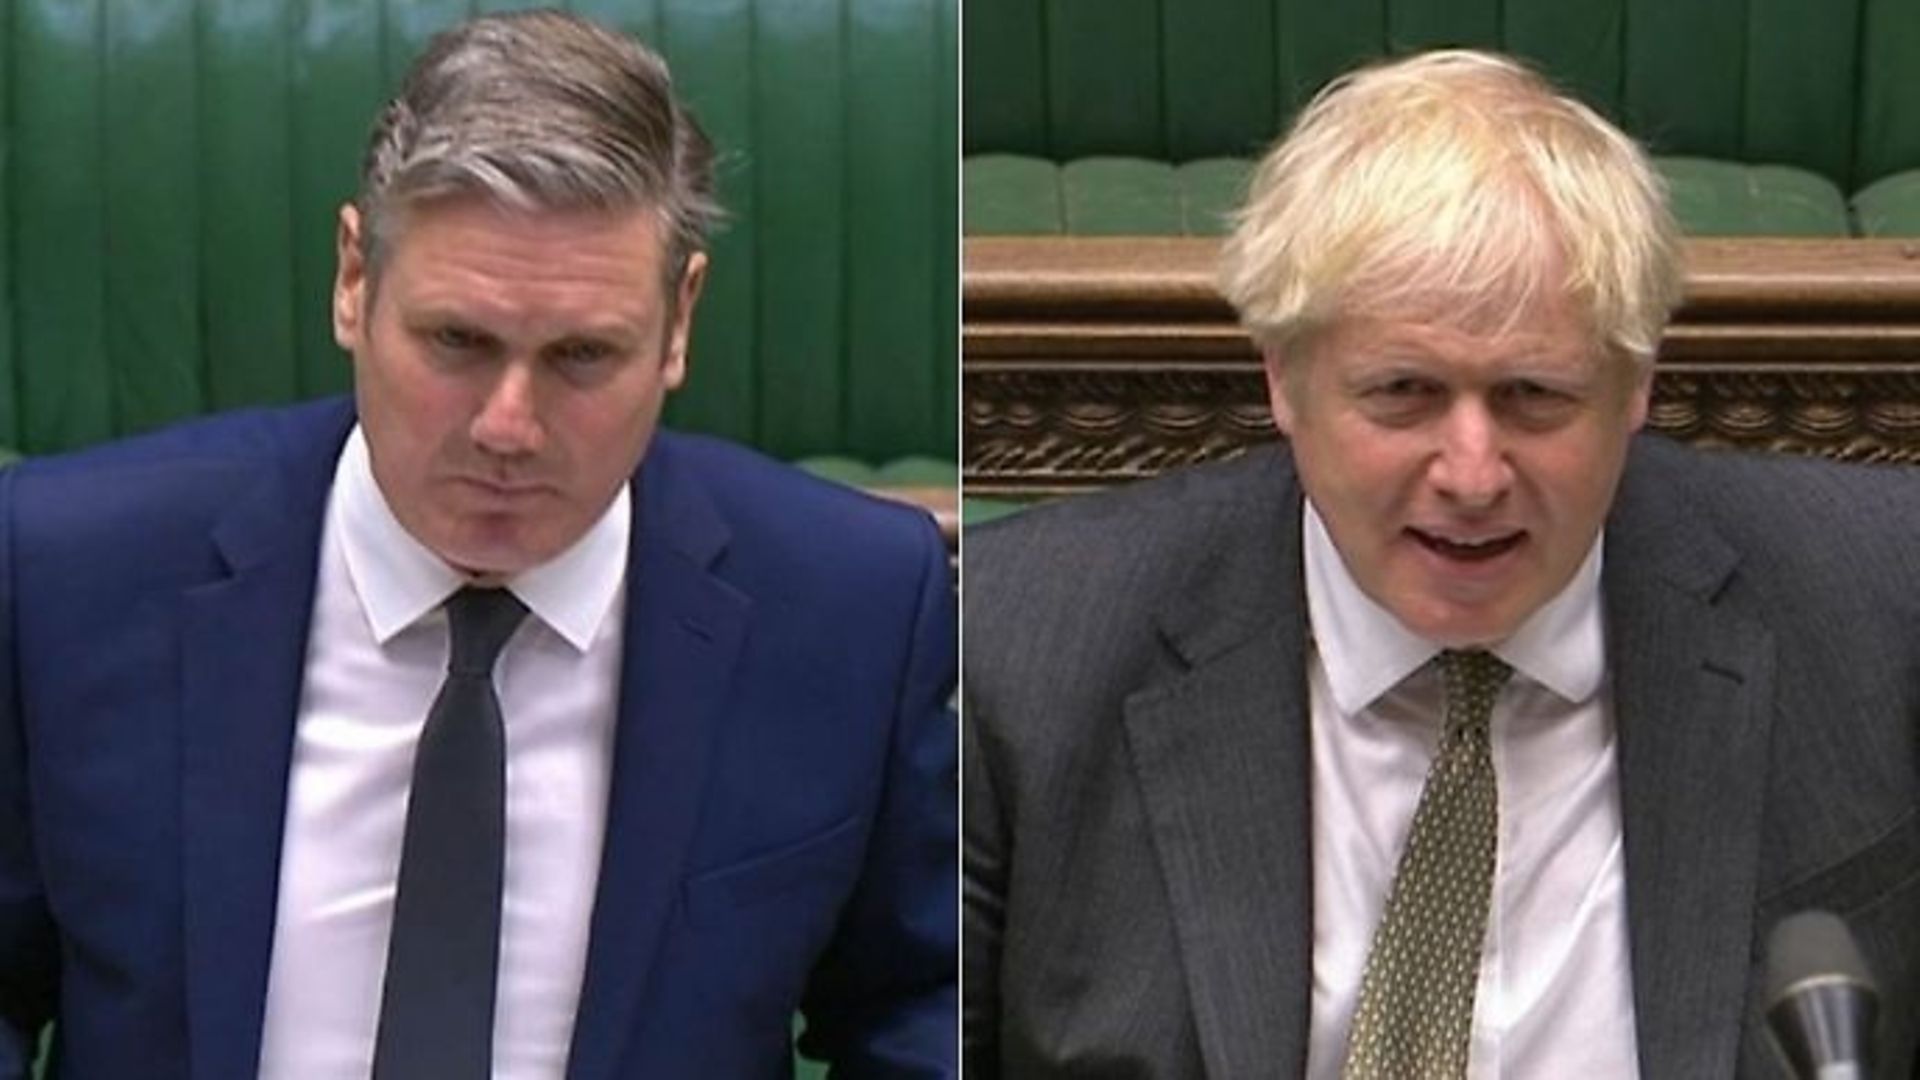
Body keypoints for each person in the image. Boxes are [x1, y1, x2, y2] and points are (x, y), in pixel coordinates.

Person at [0, 11, 954, 1079]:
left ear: (679, 322)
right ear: (354, 278)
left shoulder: (852, 611)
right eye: (457, 341)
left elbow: (922, 1009)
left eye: (583, 356)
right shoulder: (65, 575)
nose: (509, 426)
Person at [964, 49, 1918, 1078]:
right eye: (1404, 393)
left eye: (1534, 397)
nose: (1472, 474)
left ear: (1636, 383)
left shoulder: (1881, 600)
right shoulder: (1022, 649)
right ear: (1283, 379)